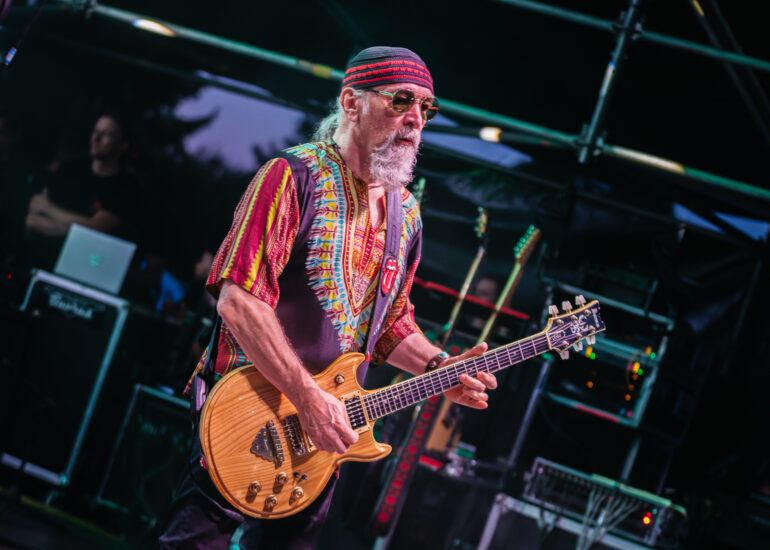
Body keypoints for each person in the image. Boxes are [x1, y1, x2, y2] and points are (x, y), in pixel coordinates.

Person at [159, 46, 498, 550]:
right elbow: (239, 301)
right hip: (248, 412)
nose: (415, 118)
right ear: (351, 102)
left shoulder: (406, 214)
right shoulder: (293, 176)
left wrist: (439, 366)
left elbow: (390, 324)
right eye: (401, 100)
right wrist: (307, 397)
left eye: (426, 108)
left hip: (327, 435)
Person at [22, 113, 134, 270]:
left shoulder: (125, 187)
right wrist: (81, 227)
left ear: (123, 145)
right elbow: (33, 219)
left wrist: (49, 208)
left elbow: (96, 228)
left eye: (107, 134)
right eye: (95, 131)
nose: (96, 138)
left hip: (81, 270)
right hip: (38, 263)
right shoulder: (70, 170)